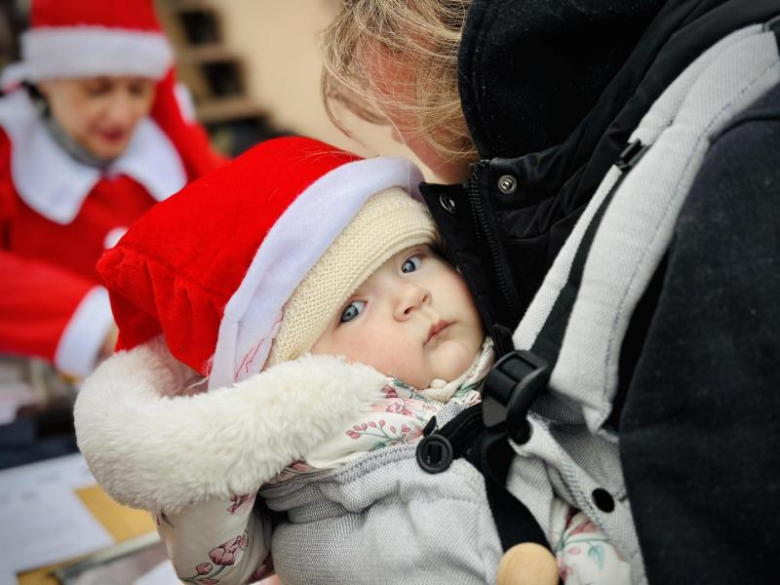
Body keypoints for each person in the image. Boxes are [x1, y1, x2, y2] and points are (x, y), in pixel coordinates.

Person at [319, 1, 780, 583]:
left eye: (414, 262)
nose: (414, 152)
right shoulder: (591, 178)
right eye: (352, 309)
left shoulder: (735, 163)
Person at [75, 136, 633, 585]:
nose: (410, 297)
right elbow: (215, 556)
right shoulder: (311, 466)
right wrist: (217, 444)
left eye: (413, 262)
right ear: (292, 374)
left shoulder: (533, 367)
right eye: (353, 309)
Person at [0, 0, 224, 378]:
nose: (121, 115)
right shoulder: (11, 148)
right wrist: (98, 324)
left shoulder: (171, 148)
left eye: (138, 91)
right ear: (47, 80)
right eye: (97, 89)